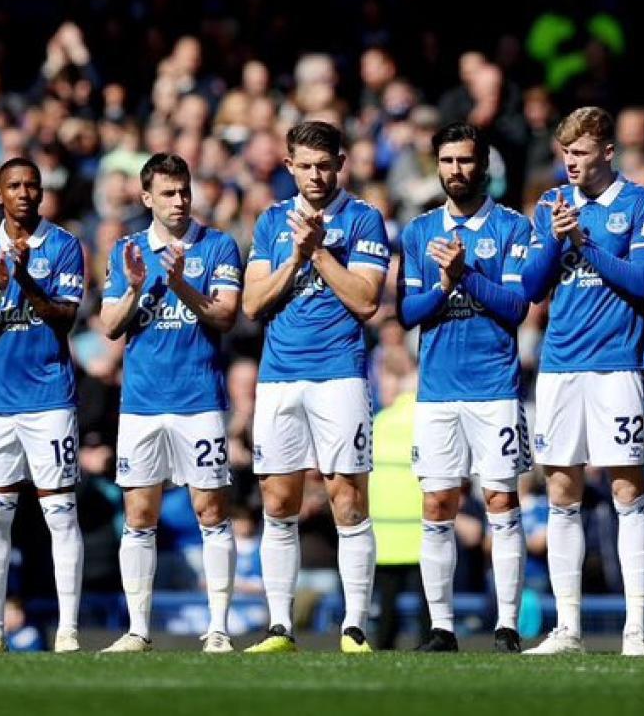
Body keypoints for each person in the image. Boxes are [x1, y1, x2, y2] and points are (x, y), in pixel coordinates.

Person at [519, 106, 644, 656]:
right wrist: (558, 241)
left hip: (617, 366)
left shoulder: (642, 203)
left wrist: (584, 242)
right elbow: (533, 288)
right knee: (561, 491)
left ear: (607, 151)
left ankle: (634, 630)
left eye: (580, 153)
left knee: (627, 489)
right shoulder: (550, 207)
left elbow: (643, 283)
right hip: (560, 365)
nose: (571, 164)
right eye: (565, 154)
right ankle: (569, 629)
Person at [240, 121, 390, 653]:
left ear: (341, 164)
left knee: (346, 498)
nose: (315, 175)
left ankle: (354, 626)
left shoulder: (364, 219)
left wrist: (320, 252)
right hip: (279, 376)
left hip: (340, 375)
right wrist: (297, 258)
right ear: (289, 167)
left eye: (324, 165)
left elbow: (367, 301)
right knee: (277, 499)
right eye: (304, 166)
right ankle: (280, 626)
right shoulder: (270, 223)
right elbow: (253, 304)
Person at [96, 153, 243, 653]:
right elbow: (111, 327)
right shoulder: (126, 251)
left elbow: (225, 316)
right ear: (147, 198)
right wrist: (138, 287)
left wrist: (180, 283)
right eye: (168, 193)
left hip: (199, 400)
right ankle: (139, 629)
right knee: (139, 514)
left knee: (211, 510)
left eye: (184, 191)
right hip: (141, 403)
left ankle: (219, 628)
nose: (179, 201)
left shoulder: (218, 245)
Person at [397, 123, 535, 653]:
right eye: (448, 161)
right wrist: (444, 285)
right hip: (437, 392)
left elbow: (517, 308)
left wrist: (467, 276)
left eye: (466, 161)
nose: (457, 170)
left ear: (484, 166)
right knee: (437, 504)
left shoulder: (512, 229)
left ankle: (506, 626)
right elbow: (407, 312)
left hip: (494, 388)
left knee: (501, 500)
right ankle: (442, 627)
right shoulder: (418, 231)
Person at [0, 158, 87, 654]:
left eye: (32, 185)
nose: (25, 193)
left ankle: (69, 630)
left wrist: (26, 279)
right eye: (15, 186)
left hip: (49, 397)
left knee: (60, 514)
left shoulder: (64, 245)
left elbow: (65, 318)